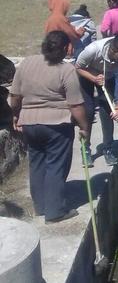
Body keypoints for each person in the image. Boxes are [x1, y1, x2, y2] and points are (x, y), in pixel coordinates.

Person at [10, 31, 90, 223]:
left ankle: (41, 207)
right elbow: (76, 105)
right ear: (65, 48)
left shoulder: (27, 63)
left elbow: (15, 95)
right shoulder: (66, 69)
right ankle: (55, 212)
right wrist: (84, 127)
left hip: (30, 123)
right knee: (56, 166)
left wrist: (16, 115)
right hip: (57, 124)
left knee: (36, 163)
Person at [75, 34, 118, 167]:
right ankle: (86, 150)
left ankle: (108, 148)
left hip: (108, 77)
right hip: (87, 74)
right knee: (88, 113)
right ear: (113, 50)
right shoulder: (93, 50)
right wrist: (94, 78)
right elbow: (78, 67)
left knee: (108, 112)